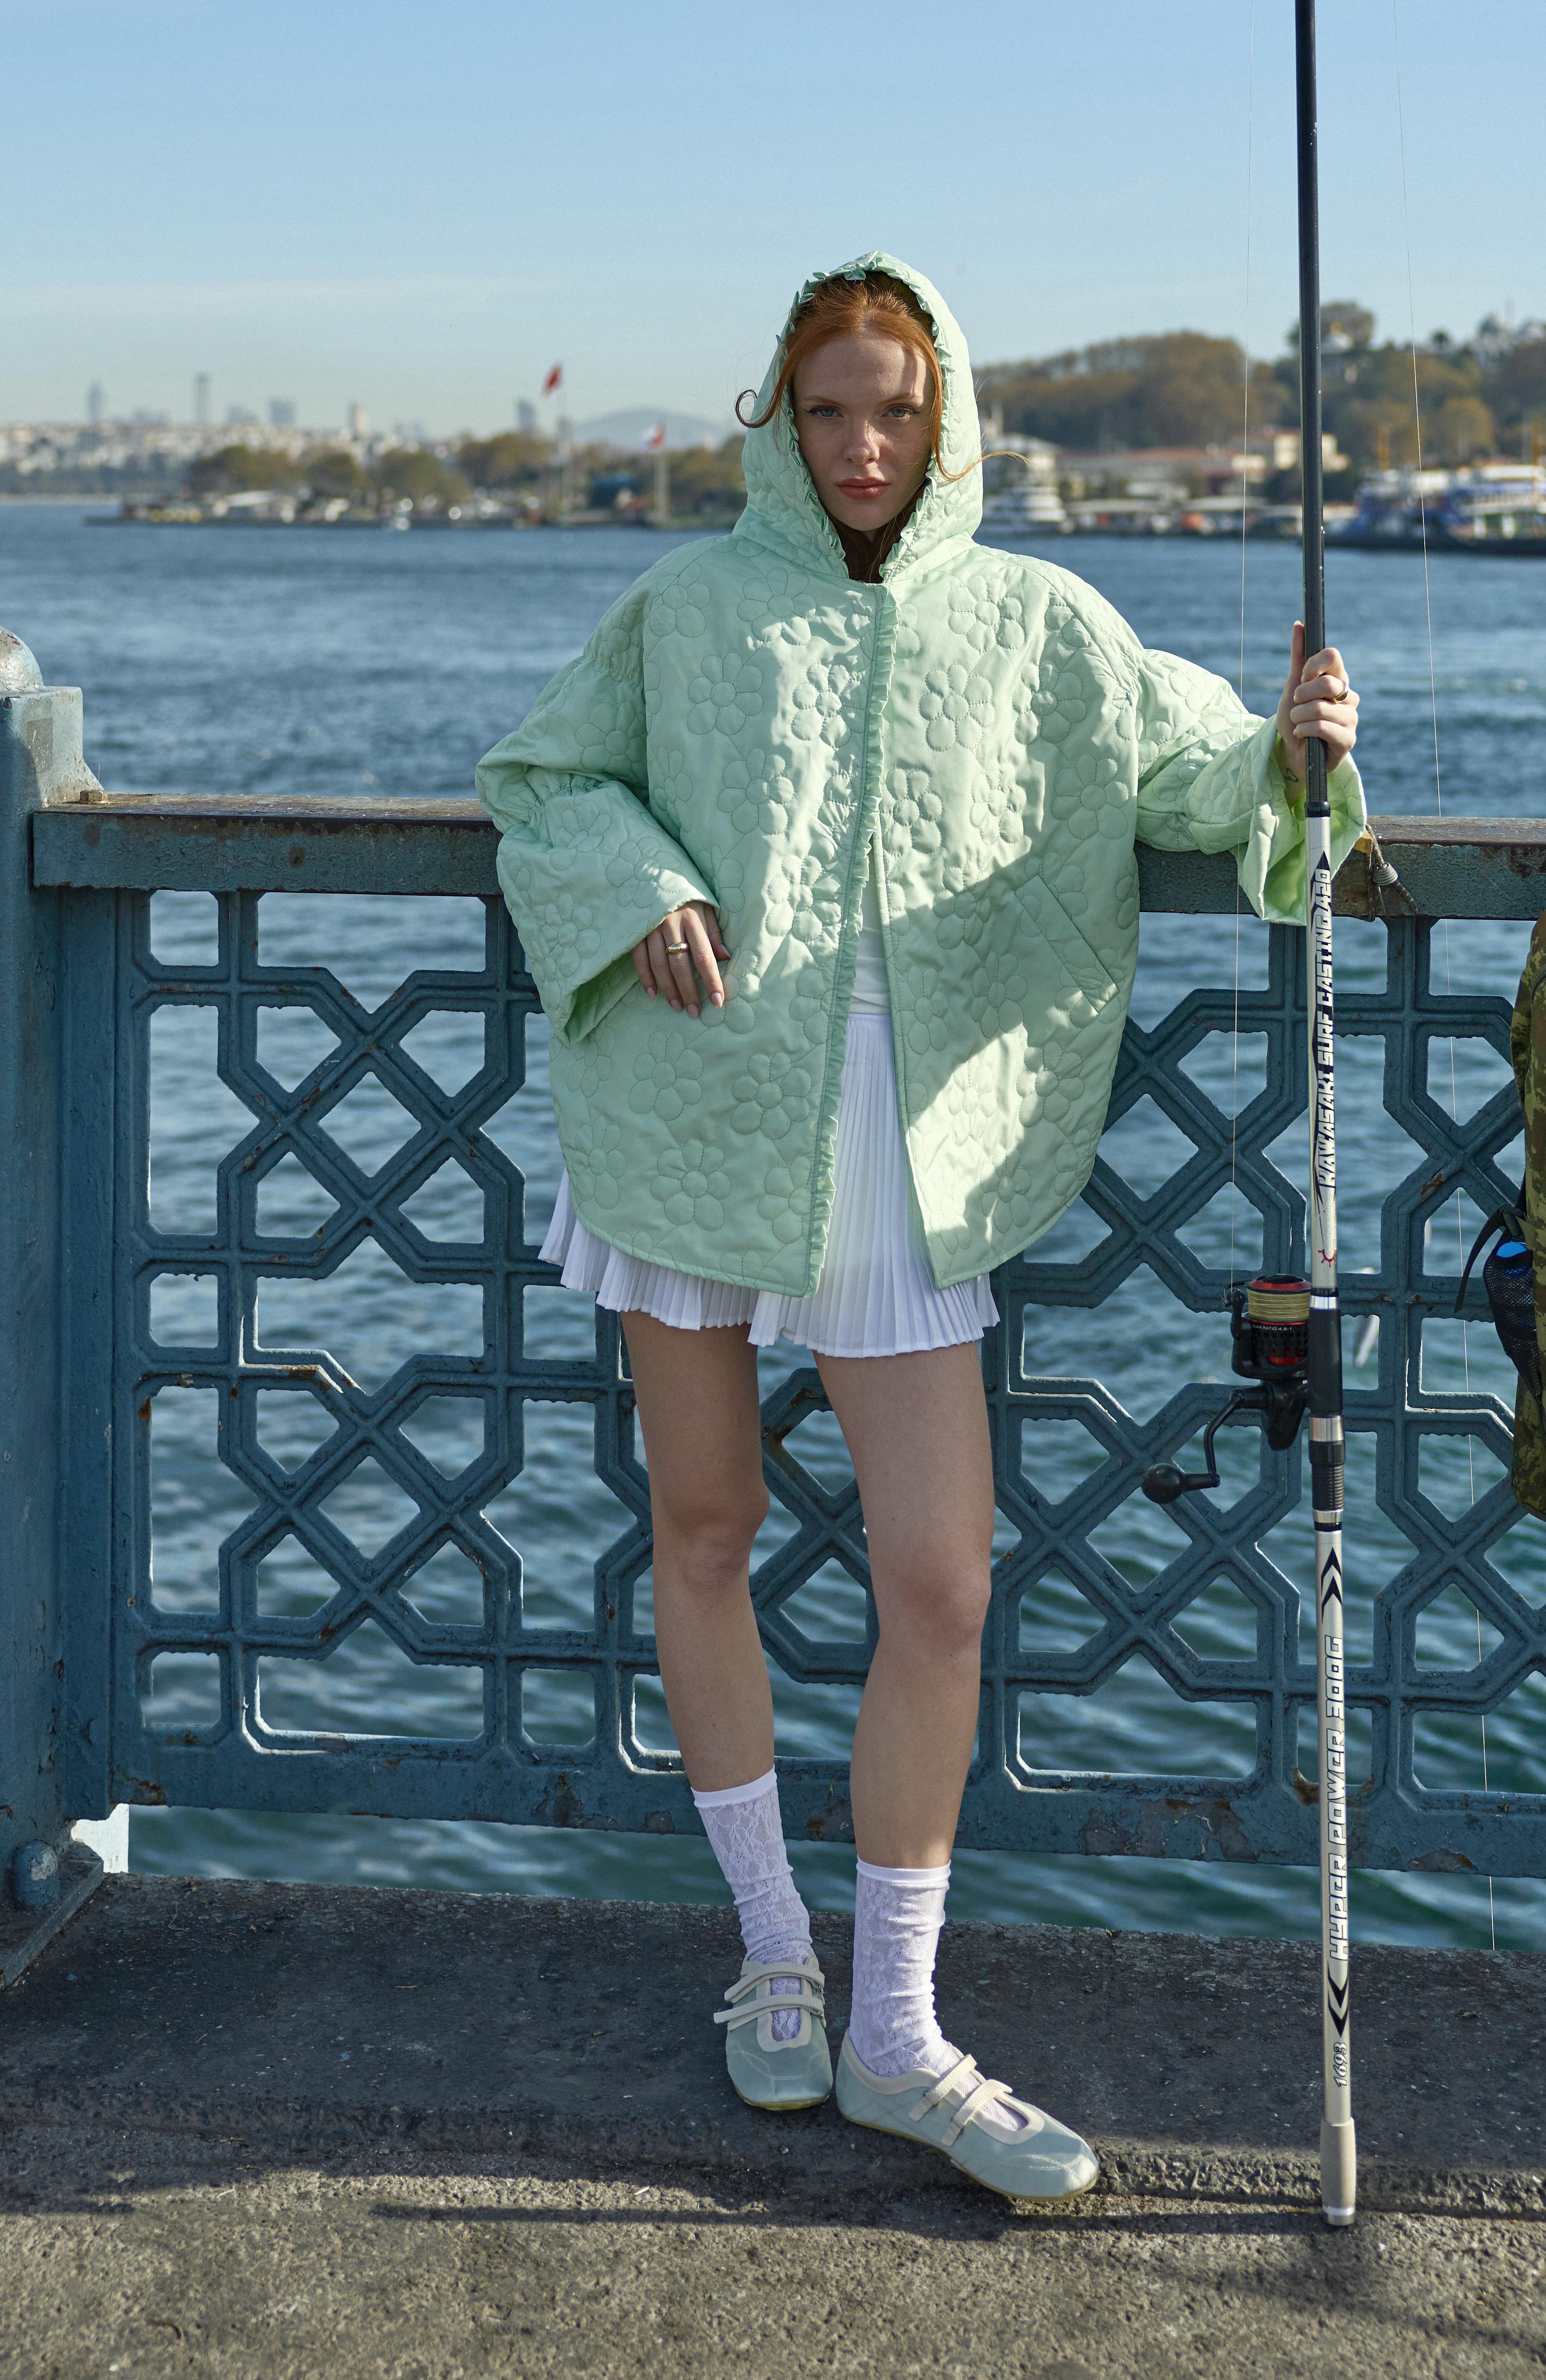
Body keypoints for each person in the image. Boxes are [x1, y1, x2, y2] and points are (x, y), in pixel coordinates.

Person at [476, 256, 1361, 2205]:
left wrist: (1296, 751)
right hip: (699, 1104)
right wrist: (628, 877)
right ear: (779, 425)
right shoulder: (688, 607)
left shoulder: (1042, 617)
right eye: (828, 410)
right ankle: (772, 1963)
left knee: (939, 1584)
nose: (864, 444)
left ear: (948, 412)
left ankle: (898, 2021)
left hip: (916, 1137)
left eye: (895, 407)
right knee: (703, 1529)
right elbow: (544, 777)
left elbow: (1195, 773)